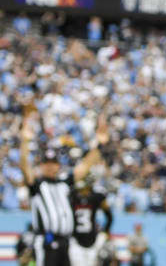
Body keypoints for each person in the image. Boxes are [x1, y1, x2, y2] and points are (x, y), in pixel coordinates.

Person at [19, 108, 109, 266]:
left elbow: (85, 166)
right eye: (46, 163)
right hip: (47, 241)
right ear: (41, 165)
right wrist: (25, 142)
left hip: (66, 242)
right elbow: (25, 167)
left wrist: (100, 144)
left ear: (58, 165)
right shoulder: (38, 185)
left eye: (53, 163)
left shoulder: (64, 183)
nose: (50, 167)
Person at [69, 176, 113, 266]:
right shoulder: (72, 197)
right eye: (81, 190)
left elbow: (109, 216)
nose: (83, 192)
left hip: (92, 241)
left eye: (85, 189)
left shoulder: (96, 197)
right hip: (75, 240)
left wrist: (105, 231)